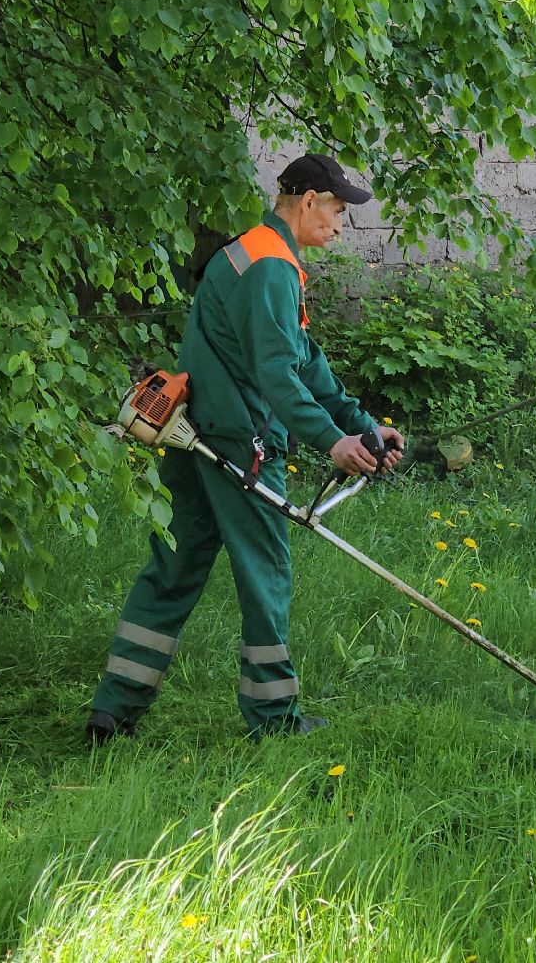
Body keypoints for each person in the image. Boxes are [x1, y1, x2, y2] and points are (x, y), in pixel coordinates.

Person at [87, 154, 403, 744]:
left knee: (174, 567)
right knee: (266, 576)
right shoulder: (272, 268)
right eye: (338, 210)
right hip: (239, 443)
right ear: (308, 201)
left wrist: (361, 424)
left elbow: (306, 362)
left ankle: (113, 710)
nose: (341, 224)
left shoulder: (251, 251)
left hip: (192, 429)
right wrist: (334, 442)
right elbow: (278, 375)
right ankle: (274, 719)